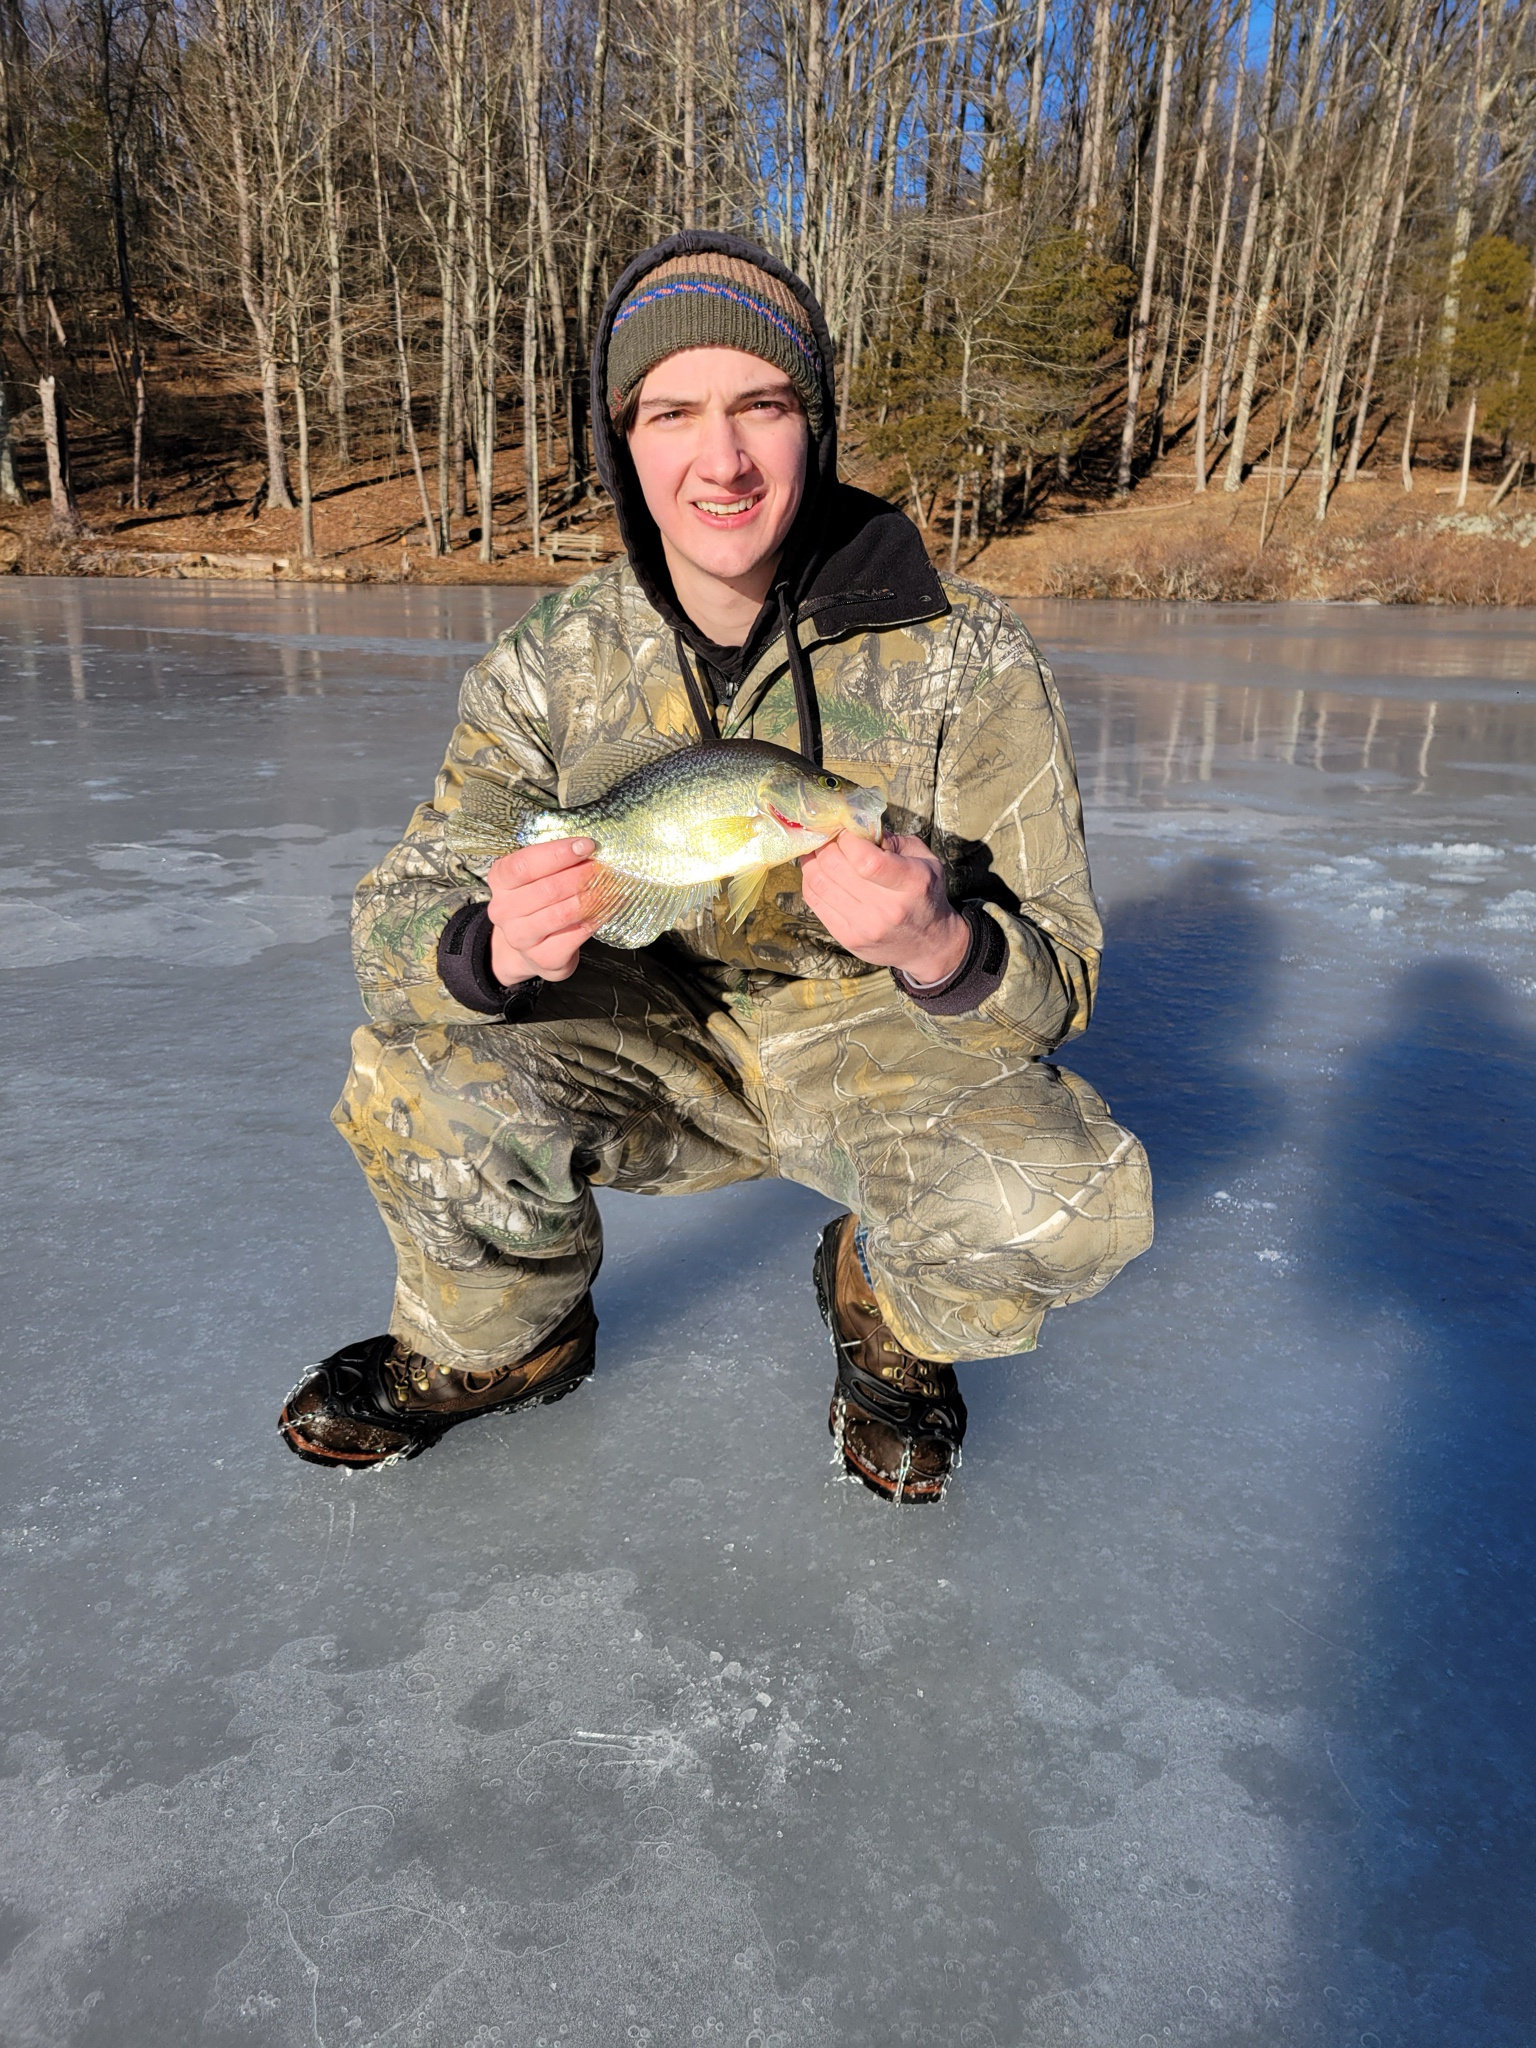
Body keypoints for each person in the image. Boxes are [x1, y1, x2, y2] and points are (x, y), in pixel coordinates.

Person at [278, 232, 1153, 1503]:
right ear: (624, 441)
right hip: (639, 1032)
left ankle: (887, 1314)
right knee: (427, 1087)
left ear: (817, 426)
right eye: (673, 411)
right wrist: (489, 945)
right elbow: (390, 930)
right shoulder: (551, 662)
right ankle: (507, 1348)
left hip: (872, 1045)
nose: (722, 457)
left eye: (764, 406)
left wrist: (944, 950)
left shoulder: (967, 654)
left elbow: (1060, 973)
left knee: (1065, 1199)